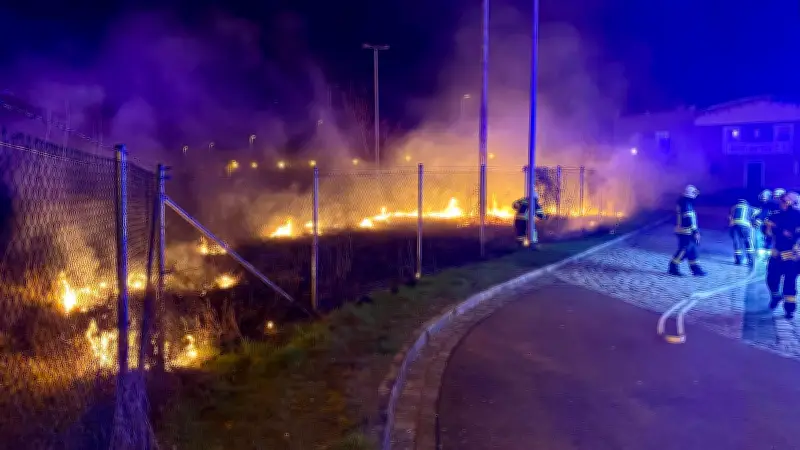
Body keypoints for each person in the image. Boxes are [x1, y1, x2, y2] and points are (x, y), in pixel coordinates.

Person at [764, 191, 800, 320]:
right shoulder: (776, 215)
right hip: (777, 254)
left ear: (792, 202)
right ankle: (775, 296)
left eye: (784, 201)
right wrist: (768, 229)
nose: (781, 203)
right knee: (771, 279)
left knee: (789, 285)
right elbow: (767, 230)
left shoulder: (798, 216)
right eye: (781, 201)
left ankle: (790, 310)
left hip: (793, 257)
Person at [669, 185, 706, 276]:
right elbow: (689, 218)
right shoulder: (686, 203)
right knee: (684, 250)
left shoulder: (684, 202)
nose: (696, 195)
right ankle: (673, 266)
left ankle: (695, 268)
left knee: (693, 250)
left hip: (686, 231)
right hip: (685, 231)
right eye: (694, 193)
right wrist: (695, 231)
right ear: (690, 193)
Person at [729, 198, 757, 267]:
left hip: (735, 226)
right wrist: (754, 225)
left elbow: (730, 217)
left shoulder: (734, 207)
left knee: (737, 243)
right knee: (748, 242)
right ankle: (750, 260)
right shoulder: (749, 207)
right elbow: (754, 216)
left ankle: (738, 260)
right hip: (745, 227)